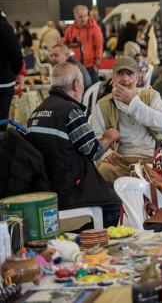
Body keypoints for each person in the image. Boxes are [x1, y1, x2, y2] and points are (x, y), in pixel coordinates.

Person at [26, 62, 120, 226]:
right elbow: (94, 151)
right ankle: (94, 242)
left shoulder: (37, 112)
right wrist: (109, 137)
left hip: (45, 186)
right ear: (77, 84)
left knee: (112, 188)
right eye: (82, 84)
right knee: (119, 201)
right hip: (69, 189)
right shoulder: (70, 111)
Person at [91, 56, 162, 182]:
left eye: (130, 74)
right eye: (120, 74)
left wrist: (134, 103)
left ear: (137, 77)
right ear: (113, 77)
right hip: (119, 161)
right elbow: (96, 138)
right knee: (104, 171)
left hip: (150, 159)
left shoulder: (150, 96)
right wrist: (106, 154)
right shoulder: (103, 105)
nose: (125, 79)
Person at [63, 5, 104, 84]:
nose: (84, 19)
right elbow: (65, 45)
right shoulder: (70, 29)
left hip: (91, 66)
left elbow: (99, 46)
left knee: (93, 91)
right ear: (75, 17)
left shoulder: (95, 28)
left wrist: (96, 65)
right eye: (80, 17)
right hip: (74, 67)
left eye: (85, 16)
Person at [0, 12, 23, 128]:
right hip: (3, 81)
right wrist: (16, 71)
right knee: (2, 121)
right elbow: (16, 55)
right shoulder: (5, 27)